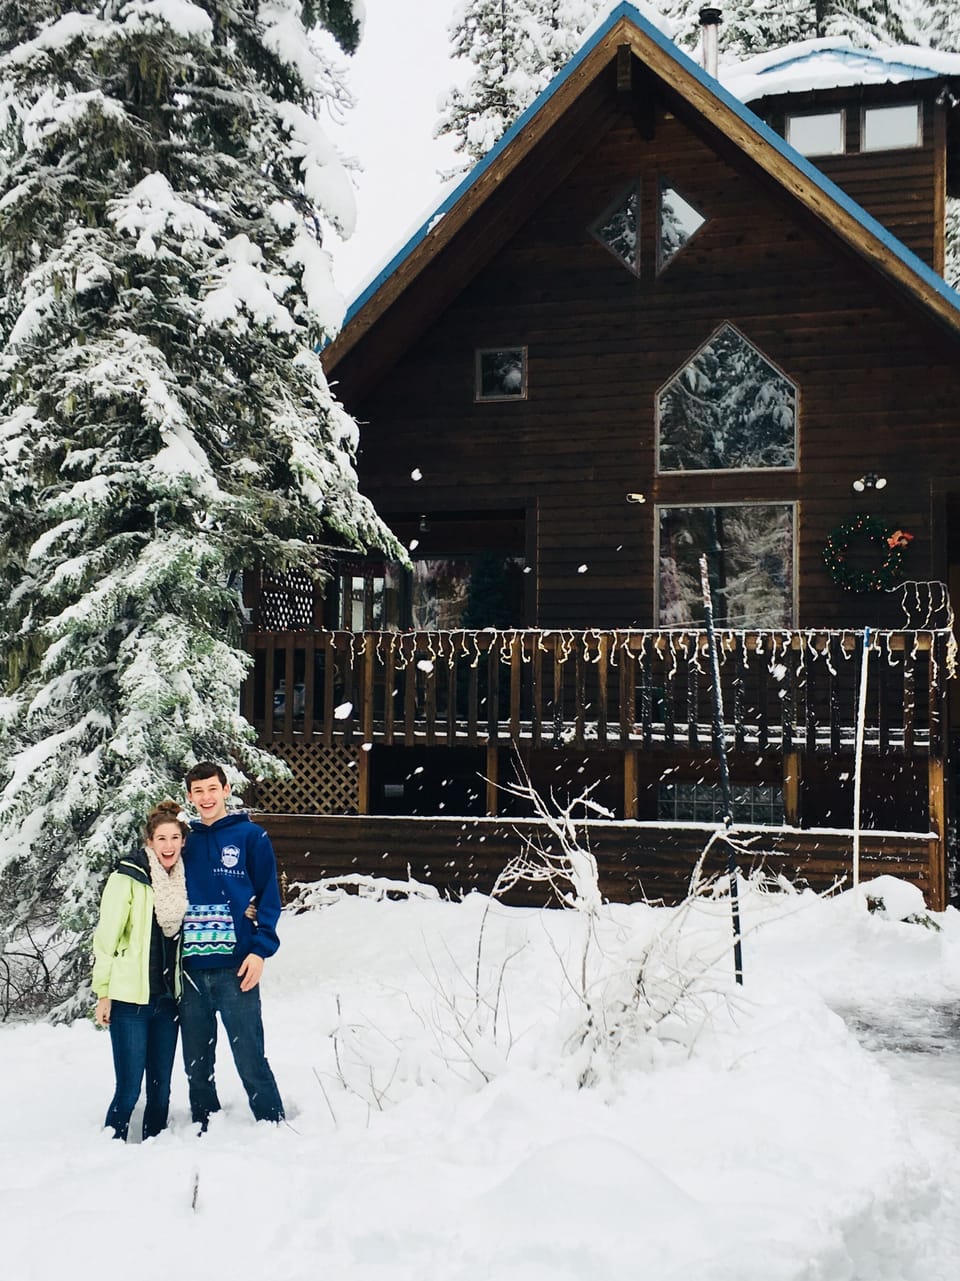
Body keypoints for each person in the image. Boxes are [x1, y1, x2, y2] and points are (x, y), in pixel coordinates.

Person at [179, 761, 285, 1127]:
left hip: (237, 966)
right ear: (190, 796)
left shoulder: (251, 837)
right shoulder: (184, 841)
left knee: (250, 1055)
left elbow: (269, 897)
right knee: (196, 1060)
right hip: (191, 969)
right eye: (198, 791)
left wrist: (260, 950)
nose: (206, 798)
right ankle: (203, 1125)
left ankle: (272, 1123)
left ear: (226, 790)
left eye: (212, 789)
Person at [92, 800, 188, 1141]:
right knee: (129, 1089)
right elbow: (106, 938)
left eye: (174, 838)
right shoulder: (128, 878)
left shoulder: (183, 882)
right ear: (149, 842)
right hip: (130, 1002)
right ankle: (109, 1146)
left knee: (161, 1091)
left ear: (182, 841)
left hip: (167, 1003)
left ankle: (155, 1149)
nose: (168, 846)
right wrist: (103, 993)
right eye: (161, 839)